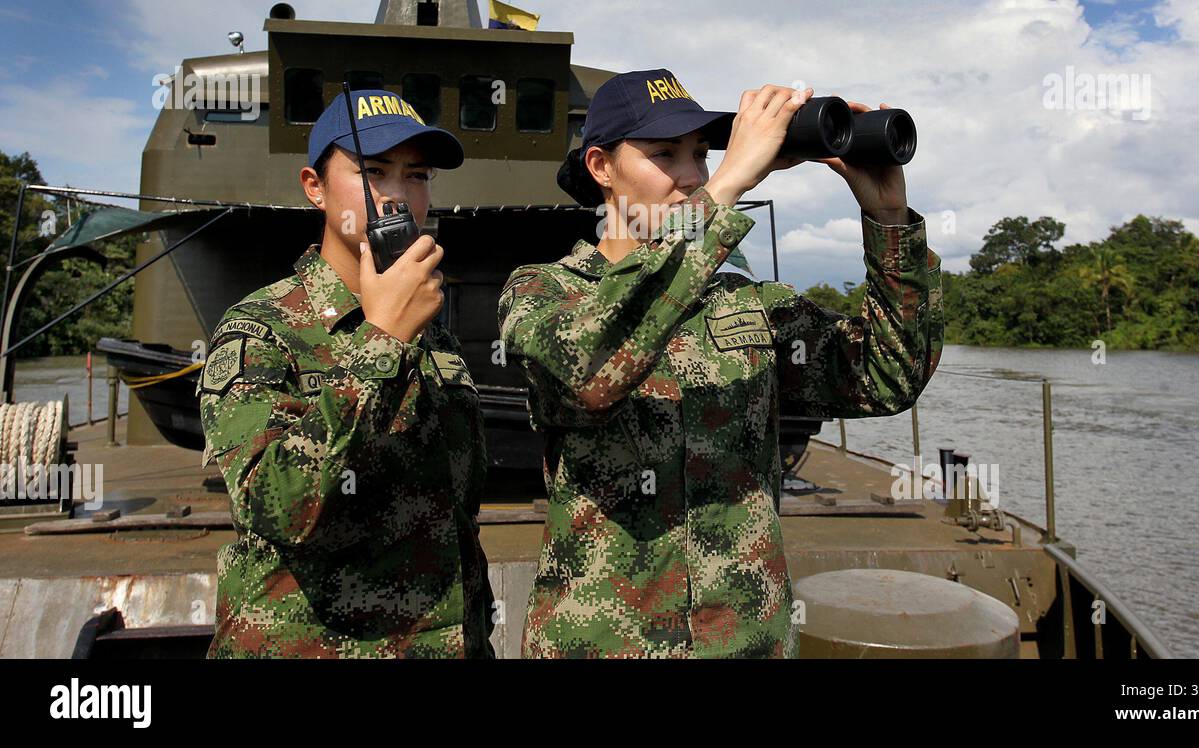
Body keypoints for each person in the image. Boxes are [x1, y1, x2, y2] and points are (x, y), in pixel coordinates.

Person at [497, 70, 943, 658]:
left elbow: (888, 377)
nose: (691, 177)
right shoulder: (544, 292)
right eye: (664, 155)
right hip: (603, 642)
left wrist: (889, 222)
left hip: (746, 642)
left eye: (703, 156)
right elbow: (588, 373)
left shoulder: (746, 303)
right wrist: (730, 183)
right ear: (602, 168)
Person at [198, 88, 494, 658]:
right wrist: (383, 341)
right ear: (314, 187)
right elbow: (277, 507)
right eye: (374, 171)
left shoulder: (436, 334)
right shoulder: (260, 330)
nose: (397, 195)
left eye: (416, 175)